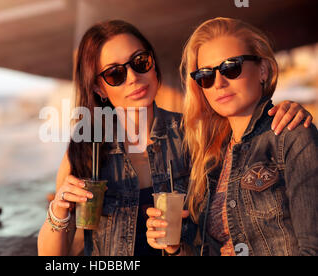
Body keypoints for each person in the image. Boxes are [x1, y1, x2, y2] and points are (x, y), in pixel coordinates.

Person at [37, 19, 313, 256]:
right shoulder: (88, 149)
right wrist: (58, 211)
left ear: (154, 64)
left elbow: (248, 127)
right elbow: (55, 254)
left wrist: (286, 108)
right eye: (115, 73)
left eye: (140, 62)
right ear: (99, 87)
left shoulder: (196, 134)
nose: (133, 77)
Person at [147, 17, 318, 256]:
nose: (218, 83)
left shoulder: (291, 135)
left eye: (231, 68)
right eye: (206, 75)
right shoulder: (209, 156)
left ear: (263, 70)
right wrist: (175, 248)